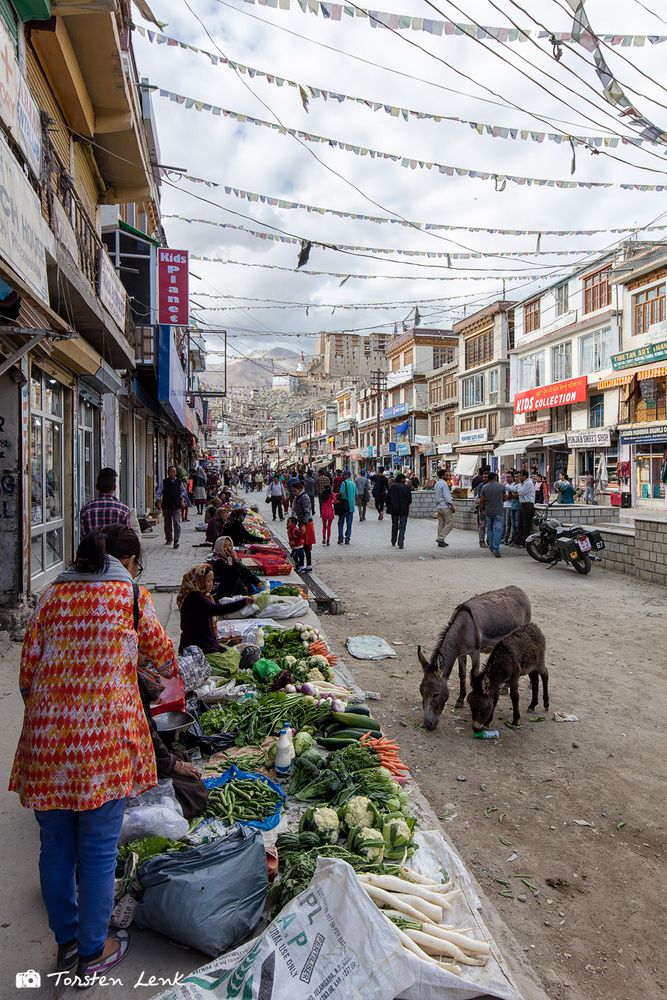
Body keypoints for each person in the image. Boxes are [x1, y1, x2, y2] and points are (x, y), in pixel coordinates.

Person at [9, 527, 177, 980]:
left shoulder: (49, 598)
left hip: (47, 743)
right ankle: (91, 952)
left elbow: (27, 676)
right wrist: (131, 665)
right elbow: (165, 662)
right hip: (105, 743)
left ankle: (65, 945)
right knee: (100, 853)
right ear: (124, 560)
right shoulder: (132, 598)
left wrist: (56, 716)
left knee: (56, 847)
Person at [177, 564, 254, 654]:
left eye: (212, 580)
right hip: (197, 646)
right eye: (208, 581)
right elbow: (218, 609)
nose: (211, 584)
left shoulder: (202, 595)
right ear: (199, 581)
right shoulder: (195, 597)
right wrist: (243, 602)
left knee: (232, 653)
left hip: (203, 642)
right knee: (233, 660)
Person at [80, 467, 131, 537]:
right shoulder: (123, 510)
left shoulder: (86, 510)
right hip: (116, 548)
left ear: (97, 487)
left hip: (92, 548)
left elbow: (83, 538)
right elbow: (127, 537)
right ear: (115, 487)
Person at [156, 465, 188, 549]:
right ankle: (169, 538)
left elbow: (183, 491)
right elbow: (159, 492)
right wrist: (158, 501)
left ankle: (176, 540)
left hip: (176, 505)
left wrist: (182, 498)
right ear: (168, 473)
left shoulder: (179, 482)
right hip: (166, 505)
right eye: (170, 471)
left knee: (176, 523)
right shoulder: (164, 482)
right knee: (167, 523)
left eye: (174, 472)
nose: (172, 473)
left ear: (176, 473)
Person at [292, 481, 317, 570]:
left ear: (300, 489)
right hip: (301, 523)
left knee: (305, 545)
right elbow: (294, 509)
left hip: (306, 523)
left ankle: (307, 565)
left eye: (295, 491)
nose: (294, 493)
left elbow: (307, 512)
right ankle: (306, 565)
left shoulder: (304, 497)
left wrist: (303, 525)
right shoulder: (298, 497)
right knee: (303, 544)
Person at [479, 472, 505, 558]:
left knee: (489, 529)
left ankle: (491, 546)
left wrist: (481, 509)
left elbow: (482, 500)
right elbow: (505, 498)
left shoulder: (484, 487)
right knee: (498, 530)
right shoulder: (501, 486)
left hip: (488, 512)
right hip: (499, 511)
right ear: (494, 477)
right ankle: (496, 548)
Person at [387, 473, 412, 549]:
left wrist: (390, 506)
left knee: (394, 525)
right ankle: (401, 542)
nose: (405, 480)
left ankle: (393, 540)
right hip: (404, 510)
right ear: (401, 479)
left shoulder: (392, 487)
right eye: (404, 478)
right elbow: (409, 499)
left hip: (394, 510)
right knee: (402, 526)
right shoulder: (406, 487)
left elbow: (387, 498)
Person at [434, 468, 455, 548]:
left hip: (439, 506)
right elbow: (447, 497)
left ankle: (440, 541)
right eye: (446, 475)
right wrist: (452, 506)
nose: (448, 476)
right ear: (442, 476)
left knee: (441, 524)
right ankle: (441, 538)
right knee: (450, 523)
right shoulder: (444, 484)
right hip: (444, 506)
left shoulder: (437, 483)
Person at [516, 469, 536, 547]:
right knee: (520, 524)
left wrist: (519, 486)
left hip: (528, 505)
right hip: (523, 504)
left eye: (520, 476)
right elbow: (515, 489)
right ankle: (519, 541)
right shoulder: (522, 483)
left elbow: (520, 492)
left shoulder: (528, 483)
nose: (519, 478)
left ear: (524, 476)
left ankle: (525, 542)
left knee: (526, 524)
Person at [336, 471, 357, 545]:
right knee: (349, 523)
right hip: (351, 507)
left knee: (340, 522)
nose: (342, 476)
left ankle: (340, 538)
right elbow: (356, 493)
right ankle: (347, 538)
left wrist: (336, 495)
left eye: (343, 475)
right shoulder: (353, 483)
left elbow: (341, 493)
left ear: (346, 476)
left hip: (344, 506)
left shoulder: (344, 483)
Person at [475, 471, 490, 548]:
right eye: (483, 477)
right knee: (482, 525)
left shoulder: (492, 485)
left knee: (490, 526)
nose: (484, 478)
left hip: (491, 508)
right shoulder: (481, 486)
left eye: (486, 477)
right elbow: (481, 498)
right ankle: (481, 541)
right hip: (483, 508)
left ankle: (489, 540)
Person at [502, 472, 515, 545]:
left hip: (510, 506)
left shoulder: (513, 485)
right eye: (506, 477)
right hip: (504, 505)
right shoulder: (506, 485)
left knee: (508, 523)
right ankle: (503, 537)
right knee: (503, 522)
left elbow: (510, 497)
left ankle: (506, 538)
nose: (507, 478)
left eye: (509, 477)